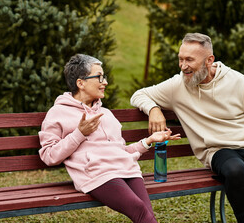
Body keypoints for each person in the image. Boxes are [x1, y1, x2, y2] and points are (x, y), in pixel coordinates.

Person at [130, 33, 244, 223]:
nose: (183, 66)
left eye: (189, 60)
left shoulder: (239, 82)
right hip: (218, 150)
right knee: (235, 169)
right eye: (181, 59)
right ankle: (243, 220)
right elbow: (138, 95)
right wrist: (154, 109)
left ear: (209, 60)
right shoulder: (177, 85)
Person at [39, 54, 180, 223]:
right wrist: (79, 133)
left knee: (146, 213)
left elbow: (121, 152)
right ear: (80, 83)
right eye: (99, 77)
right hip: (97, 175)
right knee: (141, 211)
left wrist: (148, 141)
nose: (105, 82)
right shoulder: (58, 113)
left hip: (127, 169)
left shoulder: (106, 114)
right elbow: (49, 156)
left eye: (104, 77)